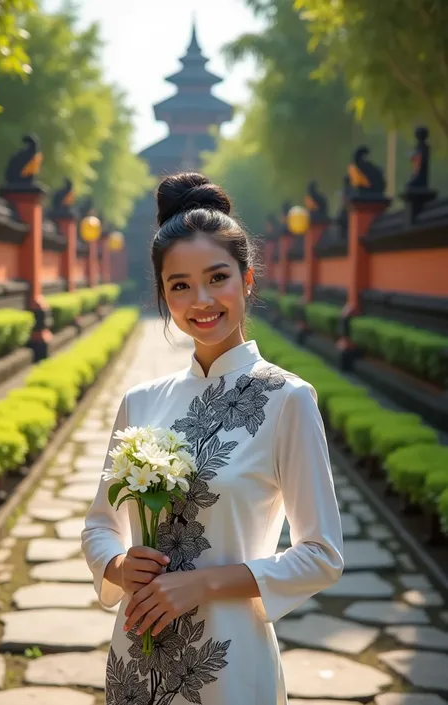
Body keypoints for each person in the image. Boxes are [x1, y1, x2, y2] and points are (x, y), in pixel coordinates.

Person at [81, 172, 344, 705]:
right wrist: (115, 565)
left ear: (247, 280)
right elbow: (100, 524)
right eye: (179, 285)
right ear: (163, 294)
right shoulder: (142, 400)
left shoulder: (287, 399)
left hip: (228, 660)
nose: (201, 300)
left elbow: (321, 554)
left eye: (217, 277)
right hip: (136, 657)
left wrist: (201, 584)